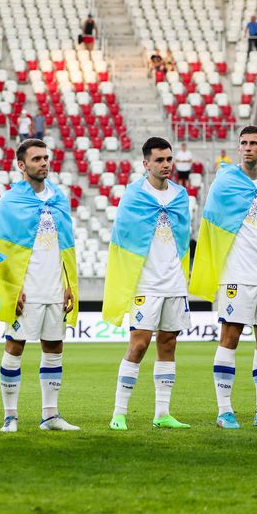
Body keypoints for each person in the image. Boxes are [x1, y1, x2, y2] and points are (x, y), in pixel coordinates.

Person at [191, 125, 257, 429]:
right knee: (231, 336)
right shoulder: (225, 182)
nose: (248, 147)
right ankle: (224, 411)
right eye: (244, 143)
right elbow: (210, 226)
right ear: (239, 148)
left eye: (254, 143)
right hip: (237, 272)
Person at [0, 139, 80, 433]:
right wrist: (11, 288)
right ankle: (10, 415)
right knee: (15, 346)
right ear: (21, 165)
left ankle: (50, 415)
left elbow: (66, 246)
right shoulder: (10, 201)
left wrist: (68, 284)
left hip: (55, 287)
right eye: (37, 159)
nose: (44, 163)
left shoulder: (59, 198)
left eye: (46, 158)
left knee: (54, 347)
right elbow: (2, 249)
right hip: (25, 288)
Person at [103, 137, 192, 430]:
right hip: (145, 283)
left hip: (174, 282)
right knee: (139, 344)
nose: (166, 165)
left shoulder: (180, 196)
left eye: (169, 159)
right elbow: (122, 242)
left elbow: (181, 240)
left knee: (168, 343)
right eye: (159, 160)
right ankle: (119, 413)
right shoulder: (133, 196)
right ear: (146, 164)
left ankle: (162, 413)